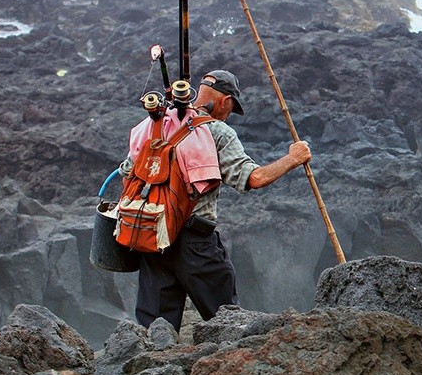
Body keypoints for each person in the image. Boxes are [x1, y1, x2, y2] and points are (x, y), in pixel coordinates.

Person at [120, 69, 311, 332]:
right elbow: (253, 179)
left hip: (152, 238)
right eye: (232, 108)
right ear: (225, 101)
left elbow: (128, 172)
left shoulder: (154, 124)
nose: (229, 114)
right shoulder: (217, 131)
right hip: (194, 242)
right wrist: (293, 159)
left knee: (156, 330)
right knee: (229, 322)